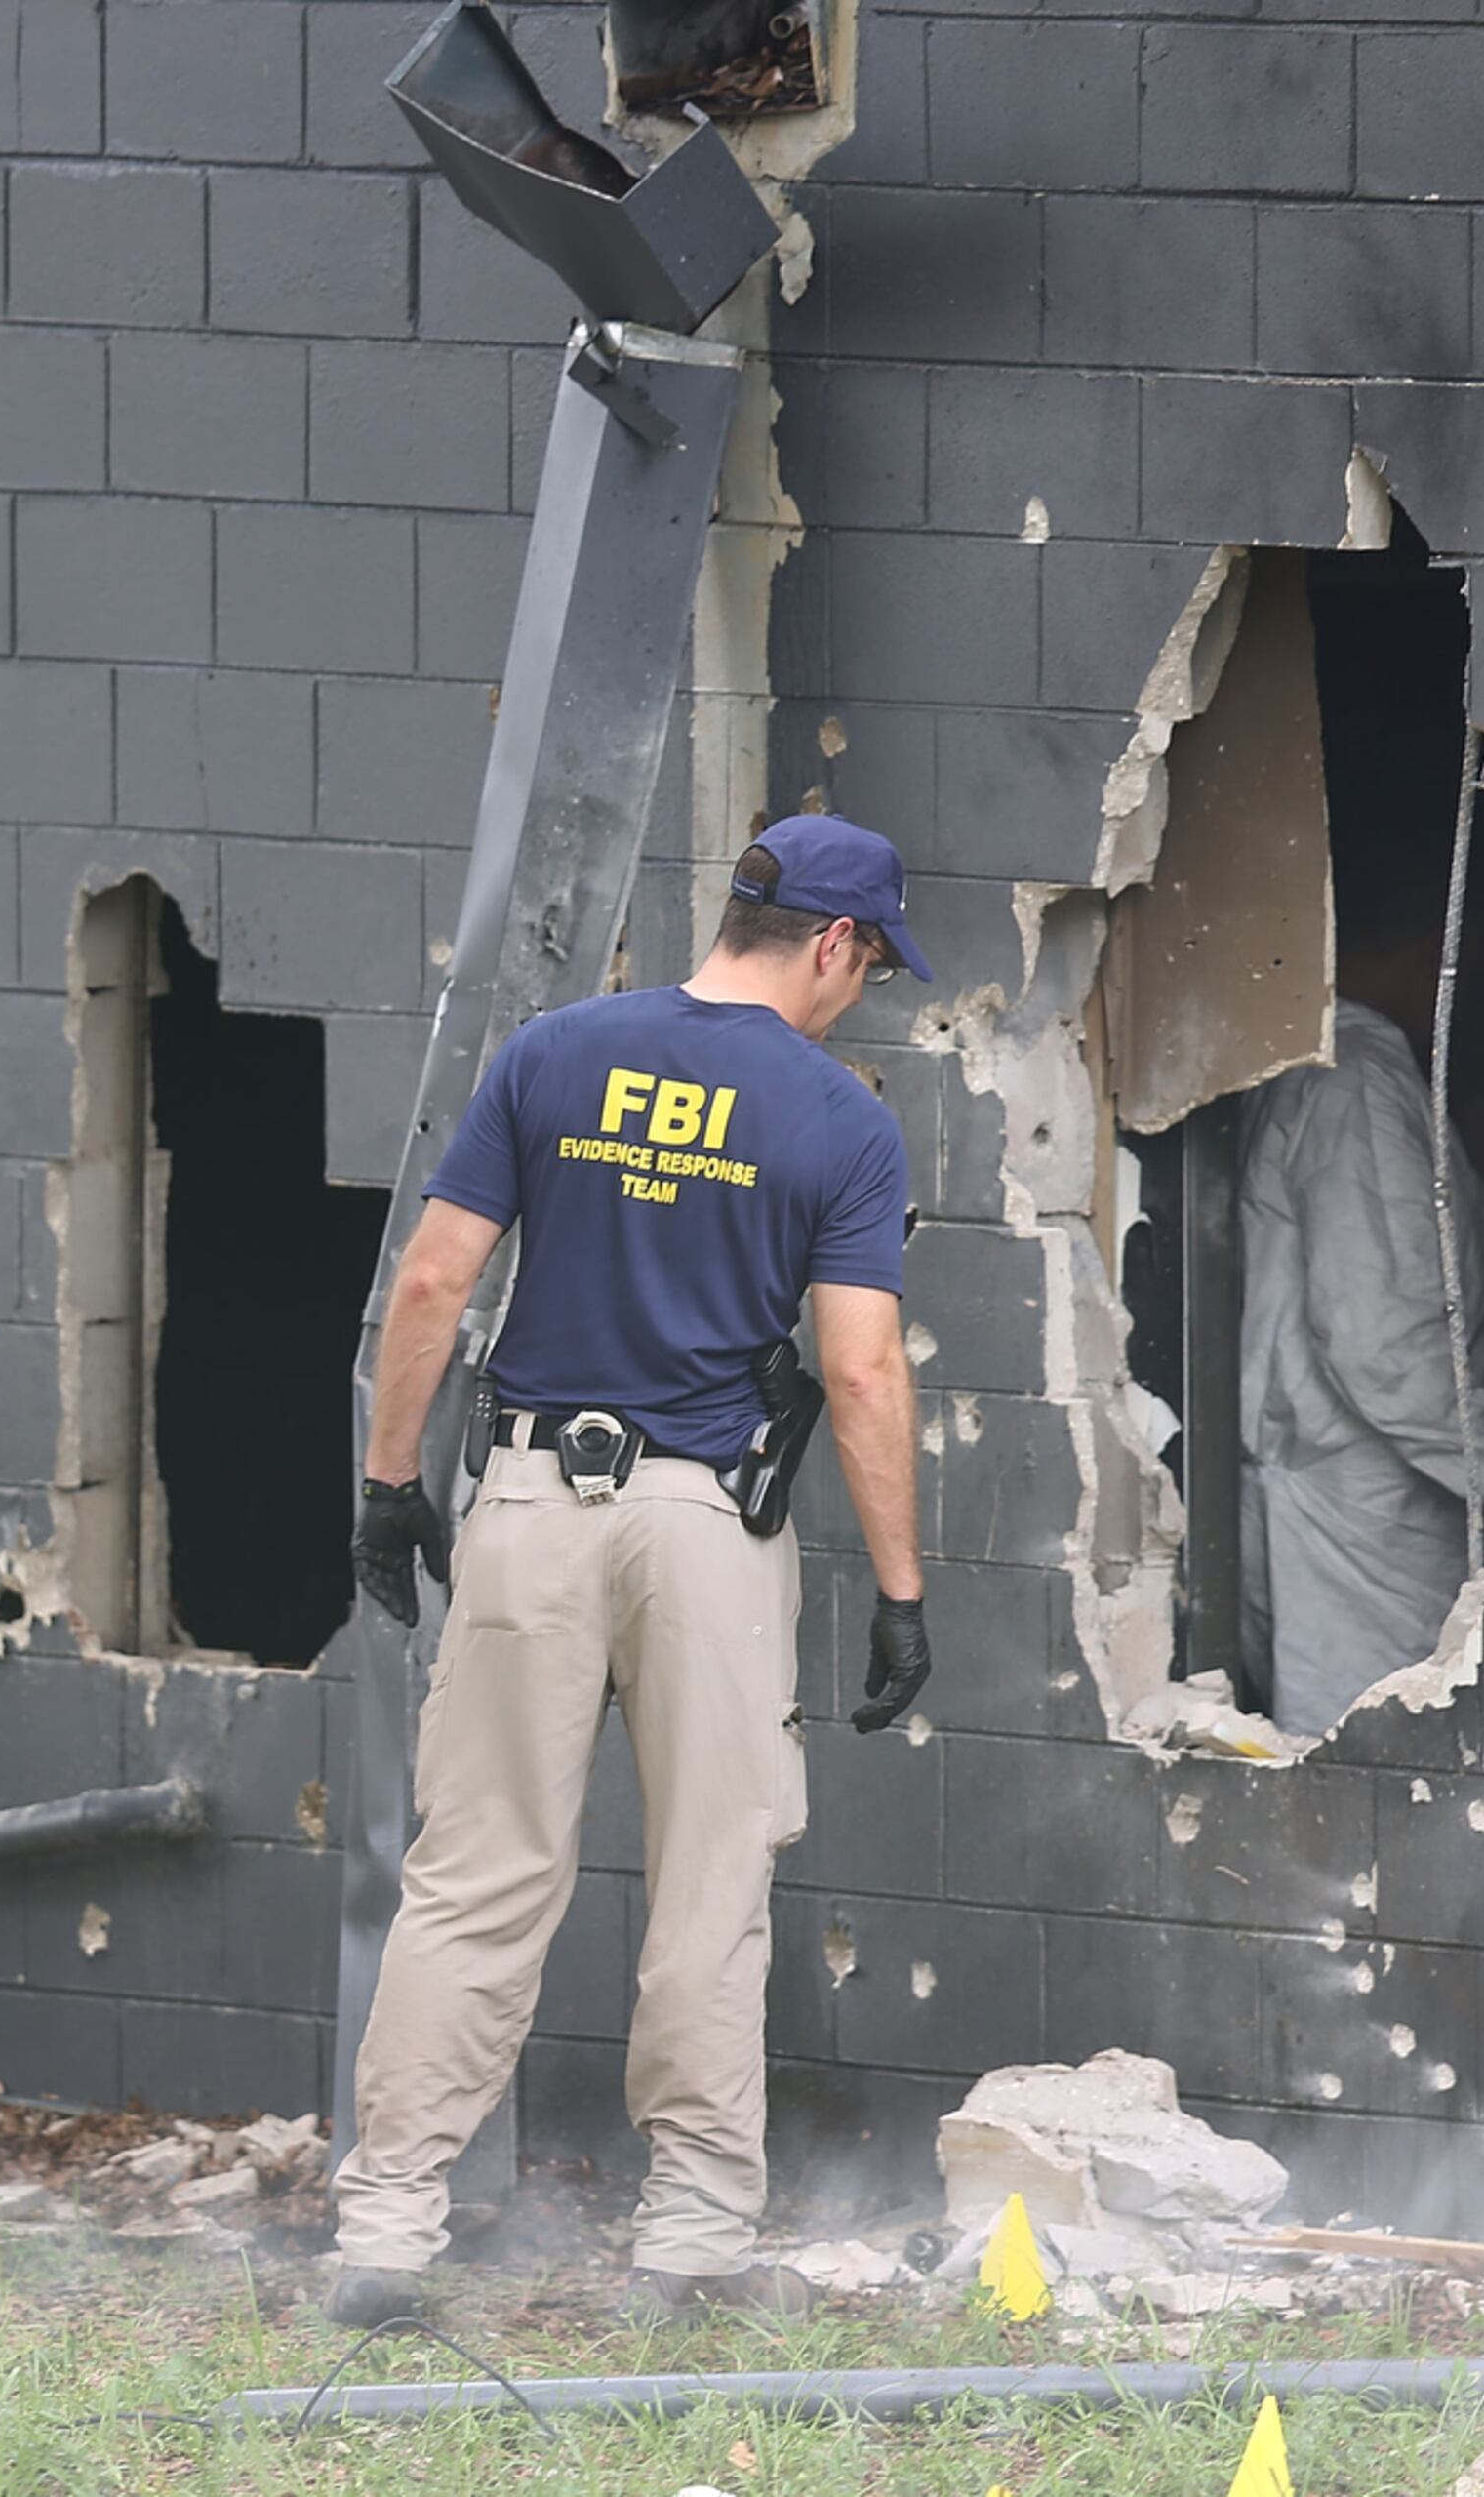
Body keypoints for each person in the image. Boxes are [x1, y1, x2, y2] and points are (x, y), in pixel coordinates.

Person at [325, 815, 935, 2327]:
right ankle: (692, 2241)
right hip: (705, 1527)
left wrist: (391, 1483)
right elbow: (859, 1374)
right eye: (870, 964)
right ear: (837, 944)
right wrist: (905, 1589)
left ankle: (388, 2230)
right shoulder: (840, 1118)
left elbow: (432, 1280)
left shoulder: (552, 1054)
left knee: (472, 1876)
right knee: (711, 1882)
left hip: (526, 1502)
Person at [1236, 871, 1484, 1737]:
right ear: (1430, 965)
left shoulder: (1384, 1086)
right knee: (1372, 1791)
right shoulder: (1355, 1085)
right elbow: (1379, 1339)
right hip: (1361, 1530)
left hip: (1395, 1512)